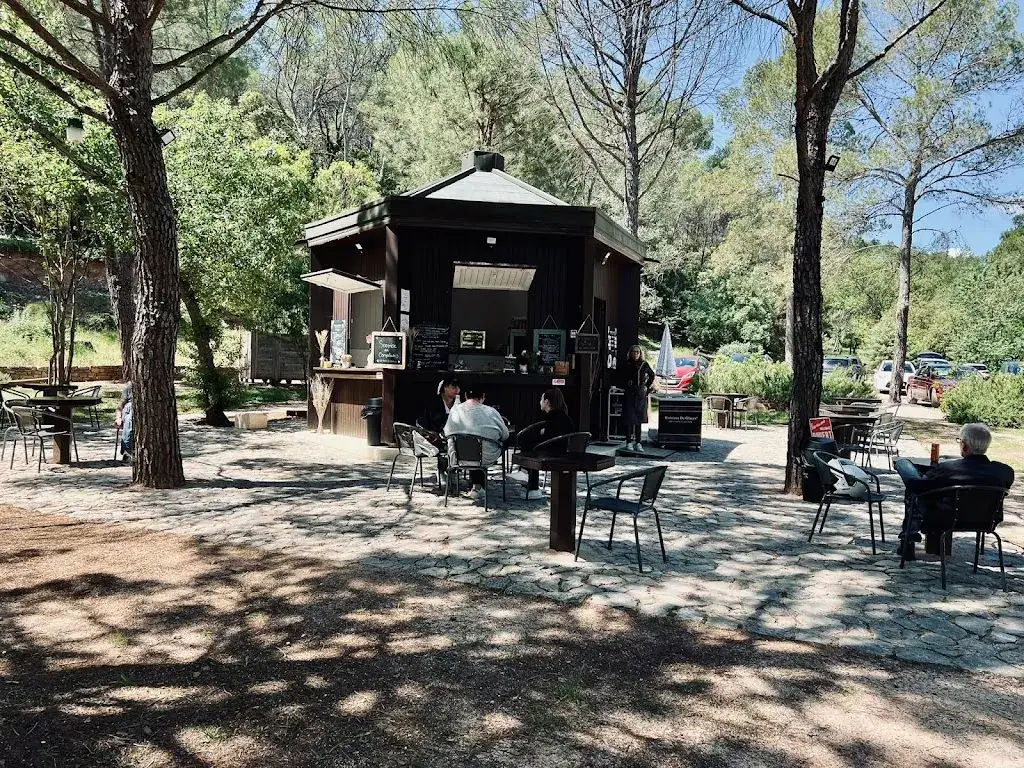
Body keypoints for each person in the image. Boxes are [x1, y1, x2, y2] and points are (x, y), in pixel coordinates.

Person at [894, 423, 1014, 560]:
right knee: (922, 489)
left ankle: (908, 539)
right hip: (986, 521)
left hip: (945, 518)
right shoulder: (1004, 472)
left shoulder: (949, 469)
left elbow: (917, 487)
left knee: (909, 478)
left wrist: (925, 476)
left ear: (965, 446)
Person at [443, 385, 509, 499]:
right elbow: (505, 435)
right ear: (483, 397)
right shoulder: (491, 411)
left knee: (472, 445)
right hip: (485, 457)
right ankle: (478, 486)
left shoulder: (455, 411)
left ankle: (477, 486)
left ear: (465, 396)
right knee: (488, 444)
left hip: (458, 456)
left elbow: (446, 432)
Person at [517, 388, 575, 500]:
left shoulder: (553, 416)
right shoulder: (563, 415)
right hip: (562, 450)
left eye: (541, 399)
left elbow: (549, 434)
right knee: (530, 443)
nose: (540, 401)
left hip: (554, 453)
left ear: (547, 401)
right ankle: (525, 477)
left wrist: (543, 432)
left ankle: (530, 483)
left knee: (530, 446)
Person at [621, 344, 655, 452]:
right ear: (630, 353)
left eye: (637, 352)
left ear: (640, 354)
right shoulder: (627, 364)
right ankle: (629, 442)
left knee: (639, 420)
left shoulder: (644, 364)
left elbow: (652, 375)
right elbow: (620, 377)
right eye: (634, 352)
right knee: (629, 419)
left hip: (640, 394)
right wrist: (625, 385)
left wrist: (647, 388)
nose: (635, 354)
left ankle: (638, 442)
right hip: (630, 393)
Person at [115, 382, 133, 460]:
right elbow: (120, 405)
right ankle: (127, 452)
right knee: (130, 420)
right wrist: (118, 417)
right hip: (130, 411)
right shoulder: (129, 387)